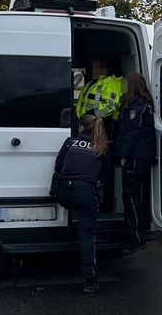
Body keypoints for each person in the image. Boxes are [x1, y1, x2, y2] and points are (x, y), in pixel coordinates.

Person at [51, 114, 111, 294]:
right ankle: (90, 281)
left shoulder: (70, 142)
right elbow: (106, 177)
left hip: (63, 193)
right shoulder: (101, 147)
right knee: (87, 235)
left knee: (78, 210)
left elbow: (58, 165)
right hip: (84, 193)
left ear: (82, 128)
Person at [115, 73, 157, 256]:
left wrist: (123, 155)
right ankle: (136, 235)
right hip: (141, 155)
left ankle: (135, 239)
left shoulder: (136, 106)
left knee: (131, 197)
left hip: (136, 156)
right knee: (135, 197)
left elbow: (132, 132)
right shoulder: (142, 105)